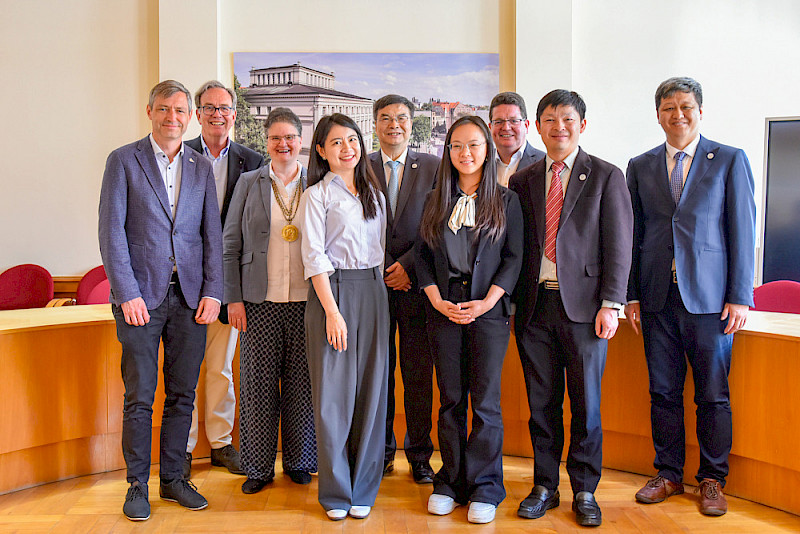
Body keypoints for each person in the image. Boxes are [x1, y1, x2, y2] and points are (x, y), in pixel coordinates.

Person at [625, 77, 756, 517]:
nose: (677, 115)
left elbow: (742, 230)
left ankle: (712, 479)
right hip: (658, 297)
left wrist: (740, 295)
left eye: (686, 107)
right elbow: (634, 234)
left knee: (712, 395)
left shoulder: (729, 159)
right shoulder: (640, 165)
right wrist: (631, 295)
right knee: (662, 392)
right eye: (668, 108)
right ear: (658, 114)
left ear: (701, 111)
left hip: (711, 301)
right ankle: (668, 473)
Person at [99, 80, 223, 521]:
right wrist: (127, 293)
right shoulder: (123, 160)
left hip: (190, 299)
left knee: (182, 394)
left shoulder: (199, 166)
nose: (173, 117)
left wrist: (213, 290)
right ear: (149, 111)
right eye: (164, 109)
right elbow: (111, 232)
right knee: (140, 396)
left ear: (189, 117)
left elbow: (212, 235)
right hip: (140, 301)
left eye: (180, 111)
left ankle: (173, 479)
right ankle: (136, 485)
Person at [509, 90, 633, 528]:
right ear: (537, 127)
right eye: (548, 119)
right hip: (533, 307)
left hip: (585, 311)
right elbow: (516, 247)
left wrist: (611, 304)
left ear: (582, 125)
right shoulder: (522, 180)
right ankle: (544, 485)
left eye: (566, 119)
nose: (557, 126)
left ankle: (584, 489)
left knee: (586, 405)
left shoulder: (605, 175)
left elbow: (619, 246)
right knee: (541, 404)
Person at [417, 115, 523, 524]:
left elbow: (514, 259)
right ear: (448, 151)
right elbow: (423, 257)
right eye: (458, 145)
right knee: (450, 400)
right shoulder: (435, 200)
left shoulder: (506, 200)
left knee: (486, 402)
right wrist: (436, 299)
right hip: (443, 308)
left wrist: (487, 301)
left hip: (488, 310)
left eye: (475, 145)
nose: (466, 153)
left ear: (487, 149)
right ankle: (450, 481)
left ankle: (485, 486)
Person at [299, 113, 388, 521]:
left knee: (372, 393)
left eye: (352, 140)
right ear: (321, 150)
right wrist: (333, 312)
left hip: (374, 292)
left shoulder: (374, 193)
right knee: (334, 397)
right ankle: (335, 491)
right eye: (336, 142)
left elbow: (382, 249)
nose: (347, 148)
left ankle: (364, 486)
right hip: (331, 294)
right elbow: (314, 256)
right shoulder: (316, 195)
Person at [223, 108, 317, 494]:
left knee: (302, 385)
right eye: (276, 138)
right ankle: (258, 468)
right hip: (257, 302)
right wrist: (234, 299)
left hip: (307, 302)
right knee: (258, 386)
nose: (283, 145)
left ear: (301, 141)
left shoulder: (318, 182)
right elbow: (230, 245)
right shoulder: (248, 182)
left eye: (290, 137)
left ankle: (299, 461)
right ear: (267, 142)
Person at [184, 80, 264, 479]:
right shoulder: (179, 156)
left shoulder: (253, 160)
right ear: (198, 114)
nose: (218, 114)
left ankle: (219, 442)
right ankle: (181, 446)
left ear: (234, 115)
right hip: (182, 280)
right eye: (210, 107)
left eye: (225, 108)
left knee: (220, 367)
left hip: (229, 281)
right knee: (183, 367)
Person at [368, 94, 439, 483]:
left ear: (413, 125)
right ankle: (381, 451)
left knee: (416, 374)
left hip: (416, 285)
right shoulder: (360, 165)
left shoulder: (432, 165)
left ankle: (420, 453)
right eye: (385, 118)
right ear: (376, 125)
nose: (393, 125)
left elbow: (438, 223)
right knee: (379, 373)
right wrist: (381, 267)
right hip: (373, 288)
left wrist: (408, 265)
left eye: (401, 118)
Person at [489, 91, 545, 187]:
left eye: (514, 121)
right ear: (490, 127)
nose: (506, 127)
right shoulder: (482, 162)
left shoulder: (544, 163)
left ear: (526, 126)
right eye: (498, 121)